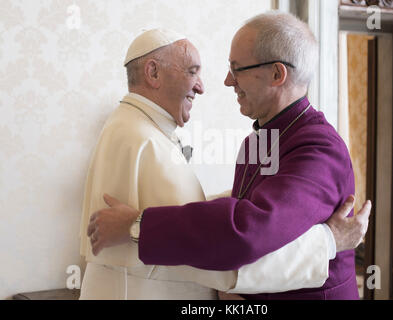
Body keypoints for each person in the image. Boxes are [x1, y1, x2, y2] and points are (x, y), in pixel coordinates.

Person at [84, 20, 371, 300]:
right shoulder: (258, 140)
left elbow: (249, 230)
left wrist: (138, 225)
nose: (226, 81)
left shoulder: (319, 148)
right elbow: (248, 208)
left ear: (276, 74)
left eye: (237, 70)